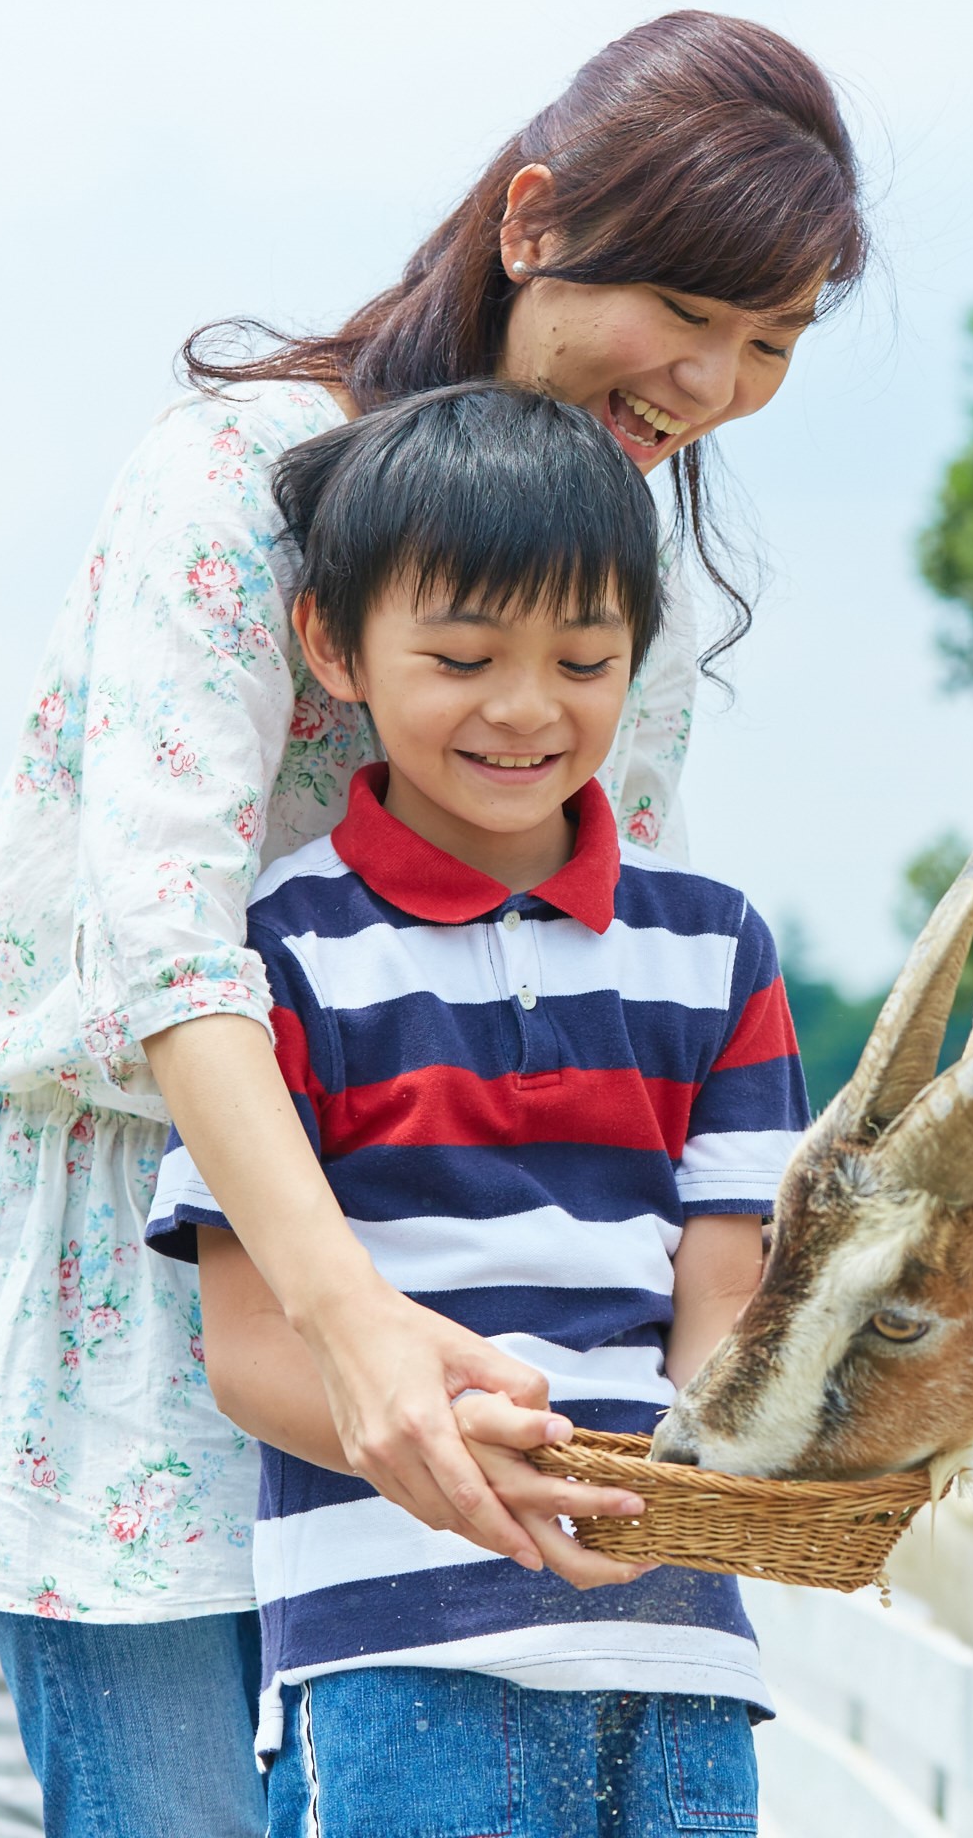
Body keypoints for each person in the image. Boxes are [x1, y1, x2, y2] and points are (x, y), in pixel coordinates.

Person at [0, 11, 865, 1835]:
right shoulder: (241, 477)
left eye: (770, 343)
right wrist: (348, 1321)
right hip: (153, 1257)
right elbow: (169, 947)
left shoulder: (639, 584)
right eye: (687, 315)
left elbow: (602, 981)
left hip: (449, 1301)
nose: (712, 382)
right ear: (533, 222)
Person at [149, 383, 793, 1833]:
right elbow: (252, 1351)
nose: (525, 709)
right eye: (459, 657)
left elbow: (725, 1308)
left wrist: (731, 1473)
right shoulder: (274, 959)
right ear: (336, 646)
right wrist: (471, 1465)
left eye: (583, 658)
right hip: (394, 1647)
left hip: (677, 1637)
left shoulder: (714, 945)